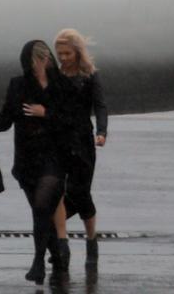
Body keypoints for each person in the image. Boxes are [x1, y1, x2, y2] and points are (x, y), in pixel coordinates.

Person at [0, 40, 70, 285]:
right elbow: (5, 120)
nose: (40, 66)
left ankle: (38, 262)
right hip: (27, 160)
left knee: (43, 205)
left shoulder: (61, 85)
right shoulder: (18, 85)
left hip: (54, 157)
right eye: (35, 62)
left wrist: (46, 113)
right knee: (40, 211)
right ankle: (58, 256)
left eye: (44, 60)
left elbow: (71, 119)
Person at [52, 29, 108, 268]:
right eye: (59, 53)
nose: (63, 57)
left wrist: (102, 131)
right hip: (59, 139)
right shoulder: (54, 75)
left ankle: (91, 239)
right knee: (58, 192)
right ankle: (61, 243)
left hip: (83, 139)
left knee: (81, 192)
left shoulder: (89, 75)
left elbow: (100, 105)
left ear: (77, 52)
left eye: (67, 53)